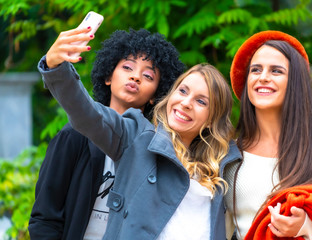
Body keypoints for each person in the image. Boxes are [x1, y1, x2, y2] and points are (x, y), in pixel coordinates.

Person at [35, 26, 242, 240]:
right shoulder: (138, 137)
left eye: (201, 101)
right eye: (182, 91)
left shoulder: (222, 165)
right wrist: (56, 67)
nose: (186, 103)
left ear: (211, 119)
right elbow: (87, 113)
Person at [28, 28, 185, 240]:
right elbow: (45, 218)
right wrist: (55, 66)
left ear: (155, 96)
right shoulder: (74, 135)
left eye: (148, 75)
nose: (135, 76)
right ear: (108, 76)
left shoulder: (157, 148)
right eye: (127, 67)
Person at [224, 30, 312, 240]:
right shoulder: (230, 154)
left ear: (295, 81)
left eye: (276, 71)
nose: (263, 78)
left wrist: (307, 226)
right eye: (256, 70)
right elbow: (216, 229)